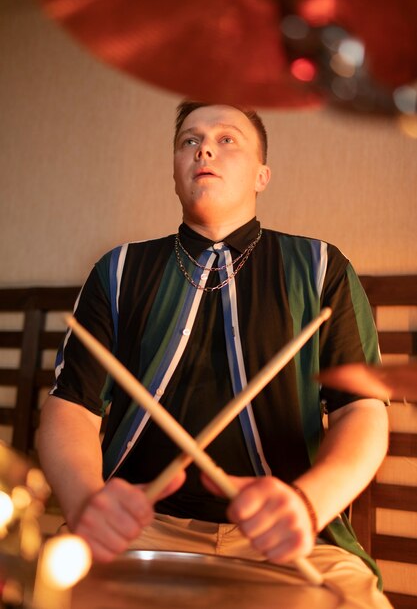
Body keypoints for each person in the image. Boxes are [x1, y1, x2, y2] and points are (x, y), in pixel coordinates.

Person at [38, 102, 391, 608]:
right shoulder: (118, 270)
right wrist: (87, 503)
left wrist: (307, 506)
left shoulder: (319, 266)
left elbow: (363, 412)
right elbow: (70, 406)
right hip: (137, 526)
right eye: (189, 140)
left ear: (262, 174)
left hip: (289, 535)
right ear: (175, 174)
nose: (204, 147)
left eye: (228, 139)